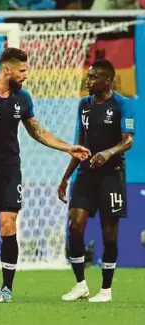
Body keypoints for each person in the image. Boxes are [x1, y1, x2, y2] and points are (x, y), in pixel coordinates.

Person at [0, 47, 91, 302]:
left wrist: (68, 147)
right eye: (22, 70)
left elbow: (38, 131)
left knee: (8, 225)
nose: (26, 75)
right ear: (8, 70)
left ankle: (7, 288)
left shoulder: (23, 98)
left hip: (9, 171)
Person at [59, 59, 134, 303]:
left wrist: (108, 153)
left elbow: (128, 140)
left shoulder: (123, 104)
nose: (88, 81)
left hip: (112, 176)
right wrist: (65, 177)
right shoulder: (84, 105)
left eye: (93, 77)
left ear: (108, 80)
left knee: (109, 234)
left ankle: (106, 289)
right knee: (74, 225)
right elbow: (80, 144)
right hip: (85, 175)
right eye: (88, 77)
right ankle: (80, 284)